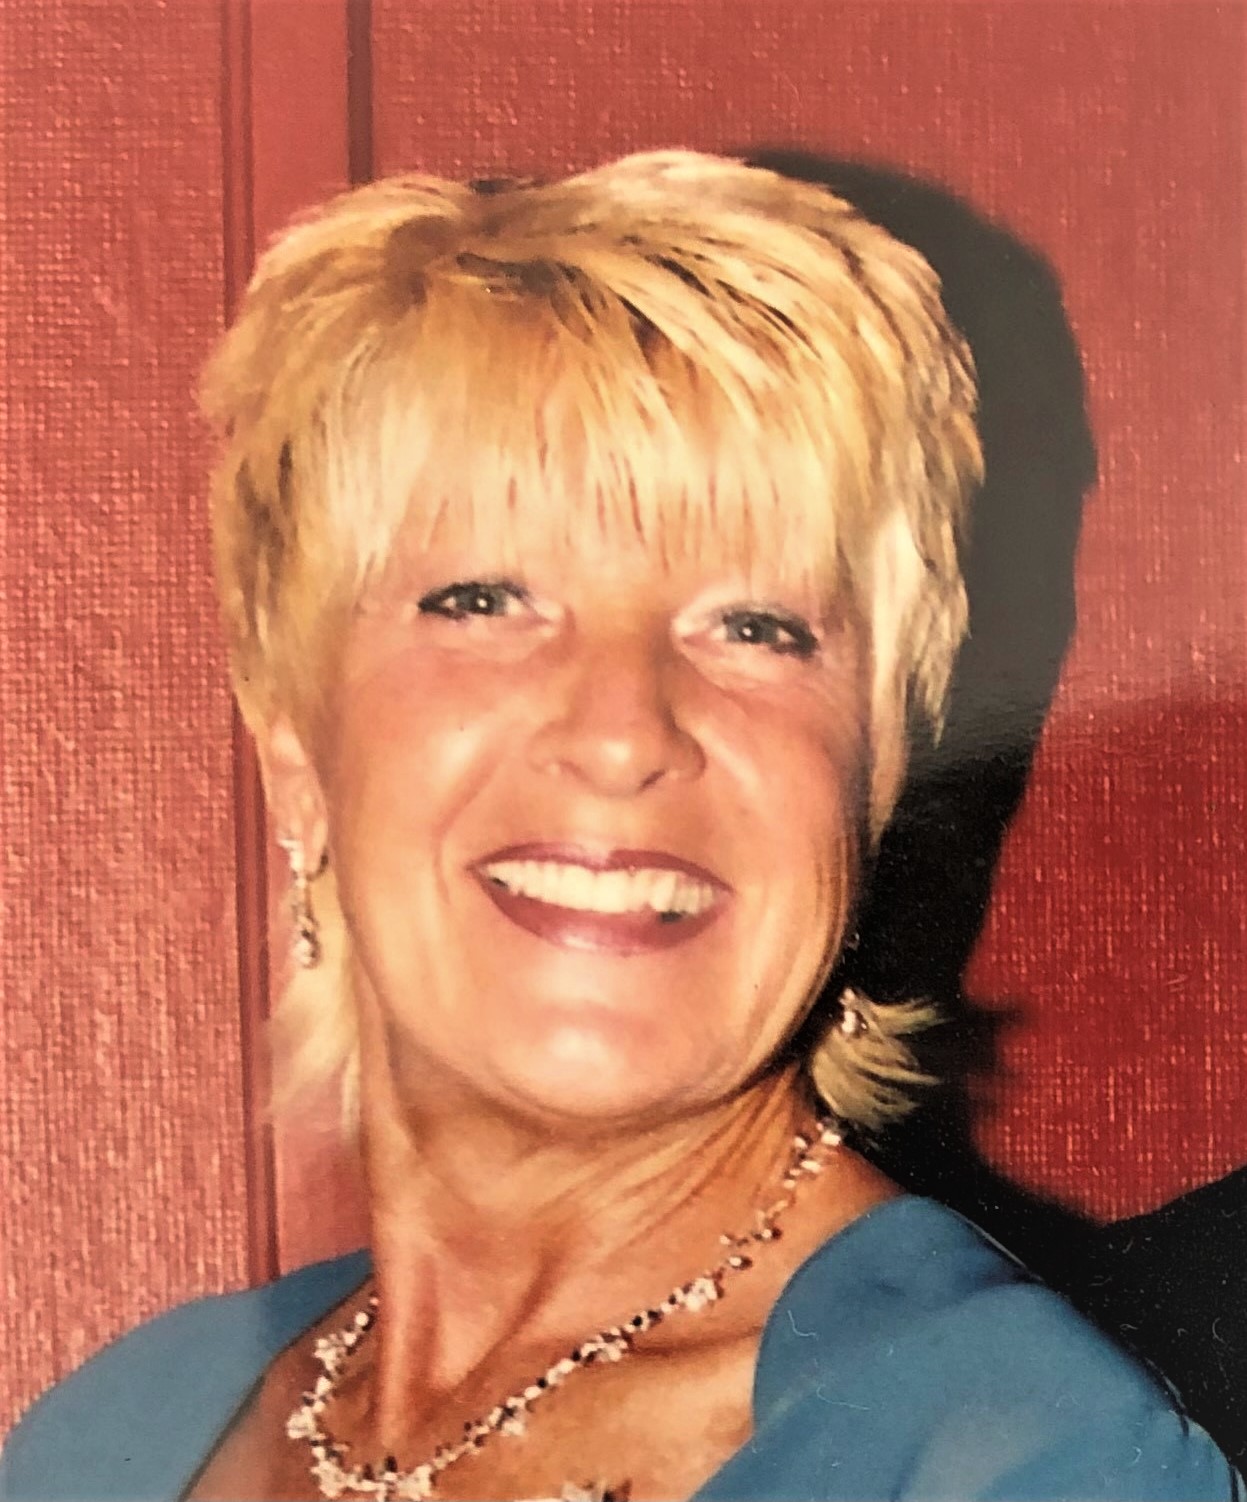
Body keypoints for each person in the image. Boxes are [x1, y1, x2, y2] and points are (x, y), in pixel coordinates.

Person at [1, 150, 1239, 1502]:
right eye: (484, 599)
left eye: (754, 626)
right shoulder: (113, 1433)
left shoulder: (1017, 1457)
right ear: (298, 748)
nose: (622, 730)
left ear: (872, 776)